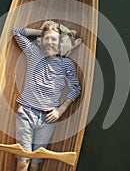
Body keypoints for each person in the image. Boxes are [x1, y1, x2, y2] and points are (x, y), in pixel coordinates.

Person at [12, 21, 81, 171]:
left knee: (36, 162)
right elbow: (17, 32)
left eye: (54, 39)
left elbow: (76, 88)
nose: (50, 42)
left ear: (60, 42)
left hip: (48, 118)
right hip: (26, 113)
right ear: (42, 40)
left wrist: (60, 110)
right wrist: (41, 32)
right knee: (23, 161)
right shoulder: (34, 52)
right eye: (47, 39)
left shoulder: (66, 64)